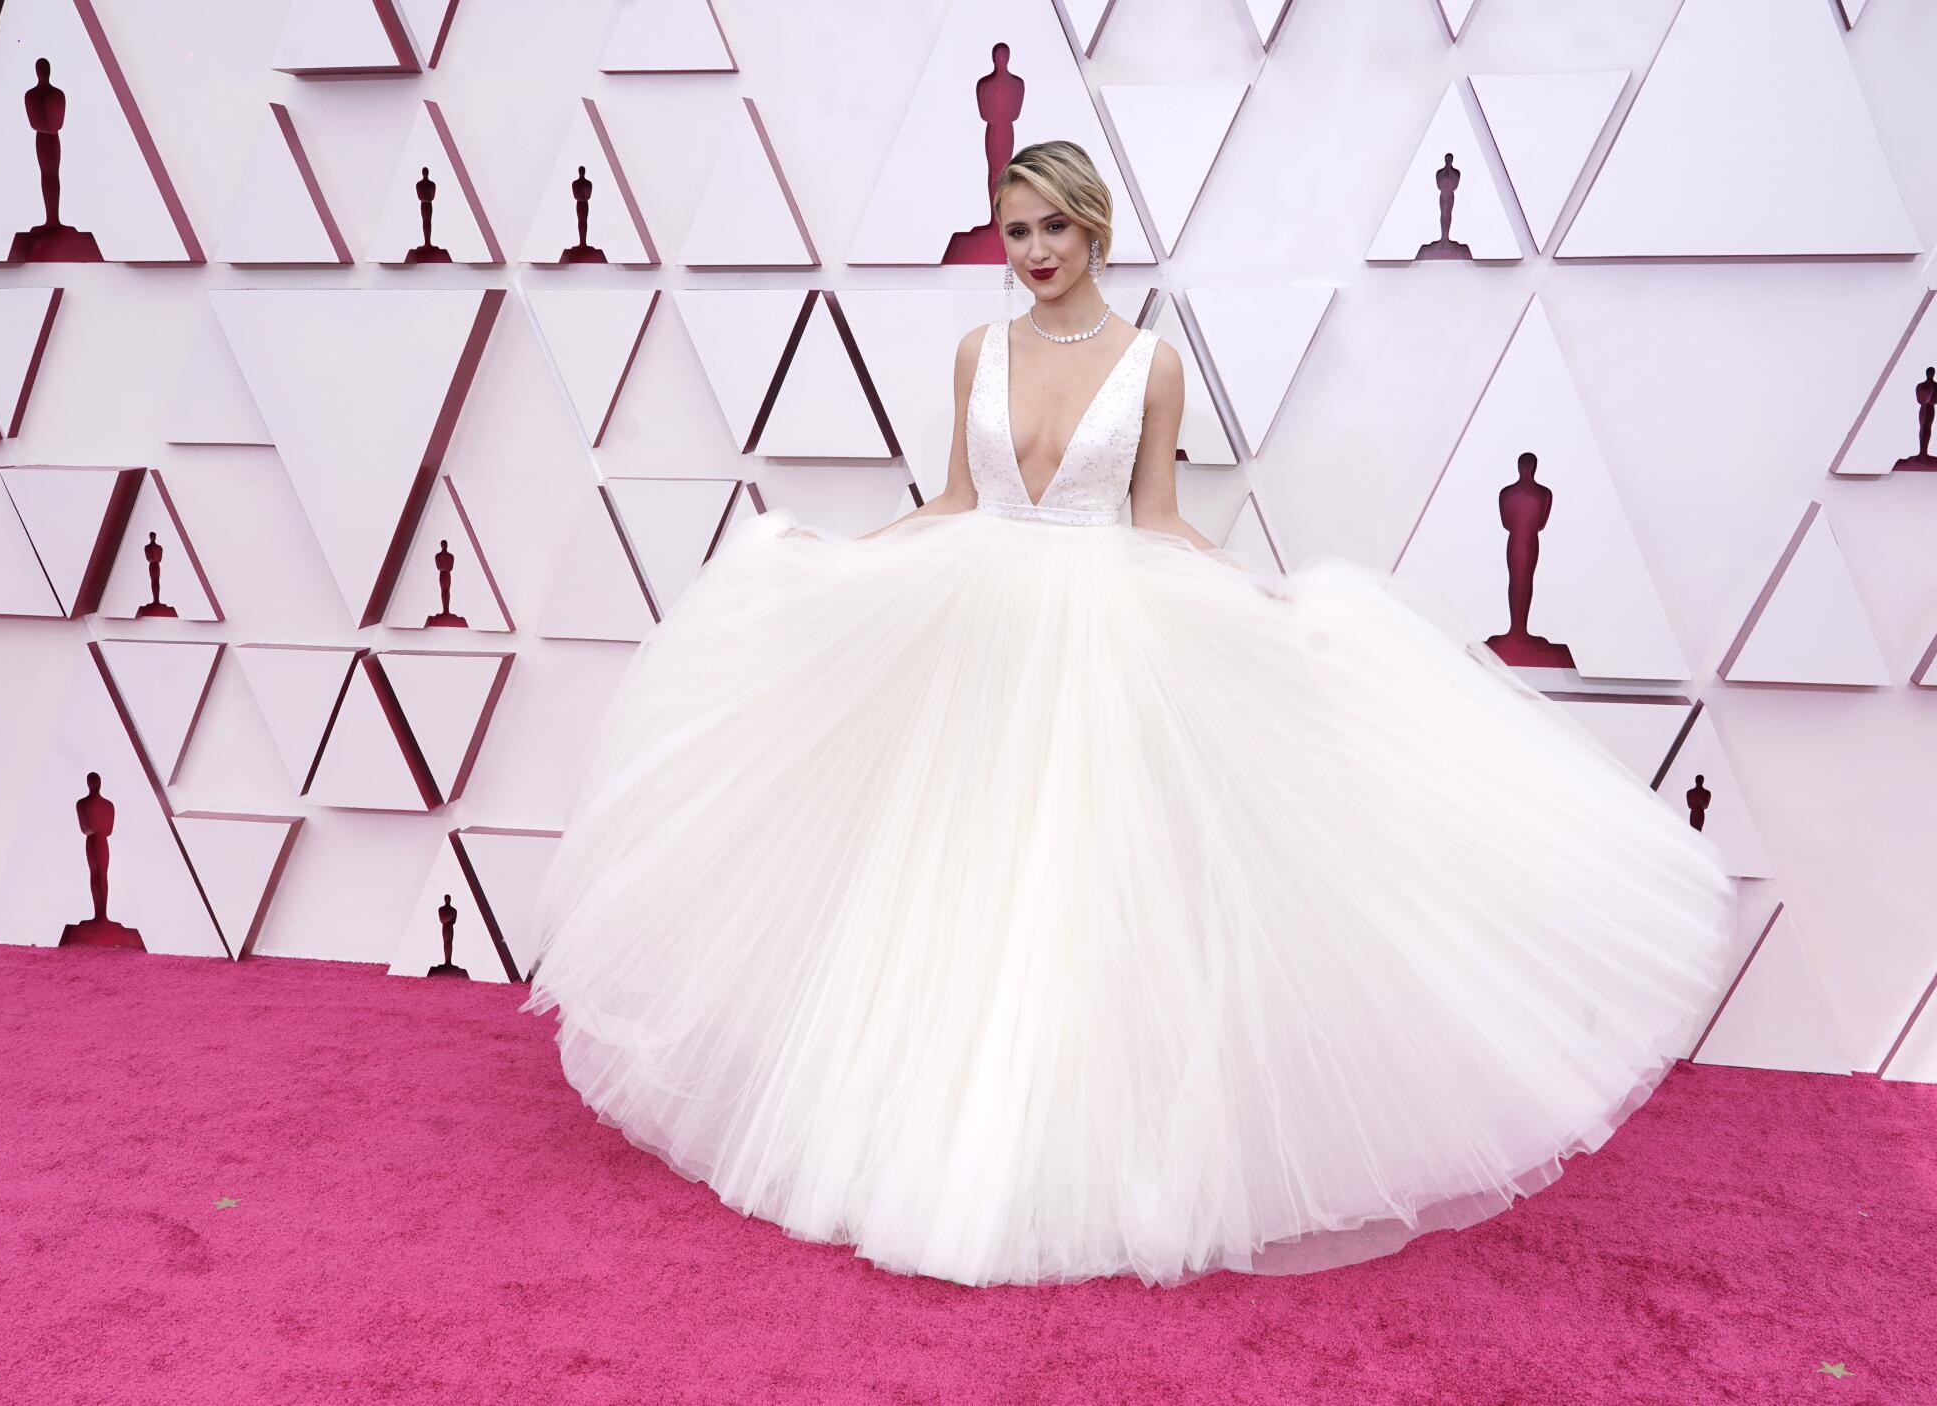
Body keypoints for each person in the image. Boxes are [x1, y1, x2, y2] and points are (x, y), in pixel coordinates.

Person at [521, 140, 1739, 1289]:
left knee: (1075, 889)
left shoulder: (1149, 361)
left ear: (1093, 226)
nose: (1033, 247)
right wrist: (839, 560)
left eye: (1051, 224)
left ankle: (1059, 1151)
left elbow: (1152, 516)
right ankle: (927, 1128)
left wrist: (1257, 599)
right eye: (1013, 229)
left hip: (1099, 629)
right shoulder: (972, 351)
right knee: (950, 877)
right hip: (973, 622)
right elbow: (953, 497)